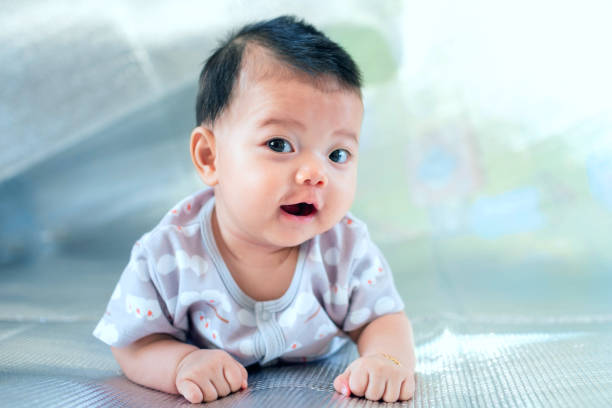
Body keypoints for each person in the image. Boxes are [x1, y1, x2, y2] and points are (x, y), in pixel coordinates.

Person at [93, 15, 416, 404]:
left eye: (338, 153)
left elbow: (382, 319)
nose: (316, 174)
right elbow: (133, 343)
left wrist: (385, 360)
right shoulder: (169, 255)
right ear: (210, 157)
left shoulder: (344, 248)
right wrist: (181, 364)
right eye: (280, 144)